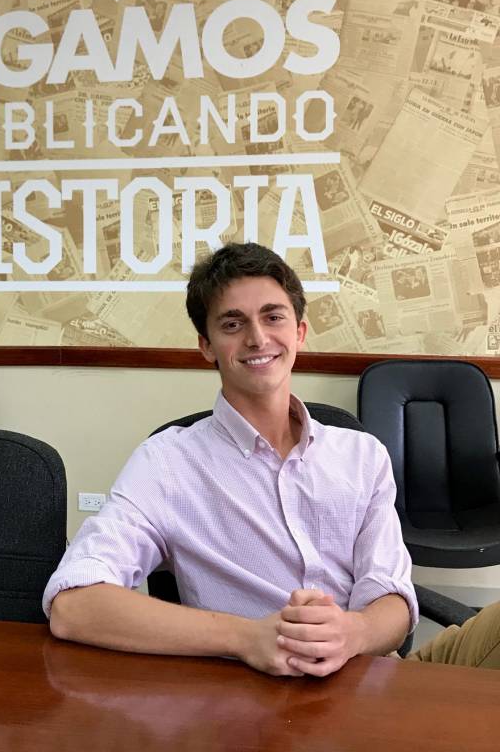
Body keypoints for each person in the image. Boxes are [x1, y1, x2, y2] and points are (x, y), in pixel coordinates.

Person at [44, 243, 500, 675]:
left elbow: (393, 600)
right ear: (206, 345)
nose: (257, 337)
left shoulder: (362, 455)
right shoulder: (167, 463)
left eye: (273, 316)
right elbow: (74, 603)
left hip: (376, 678)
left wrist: (353, 633)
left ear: (298, 332)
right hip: (252, 693)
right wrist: (246, 638)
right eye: (232, 324)